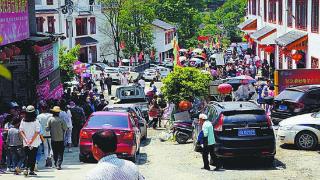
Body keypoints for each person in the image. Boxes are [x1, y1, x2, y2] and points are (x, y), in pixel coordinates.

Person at [19, 105, 41, 176]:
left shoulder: (23, 120)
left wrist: (26, 139)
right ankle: (31, 170)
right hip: (34, 142)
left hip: (26, 142)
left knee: (27, 155)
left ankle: (26, 168)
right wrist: (31, 141)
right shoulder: (36, 121)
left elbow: (21, 131)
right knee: (33, 156)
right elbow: (37, 132)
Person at [36, 103, 53, 167]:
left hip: (43, 134)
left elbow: (38, 125)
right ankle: (50, 156)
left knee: (45, 147)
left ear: (42, 109)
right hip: (50, 133)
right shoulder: (51, 115)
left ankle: (46, 160)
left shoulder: (39, 116)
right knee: (51, 147)